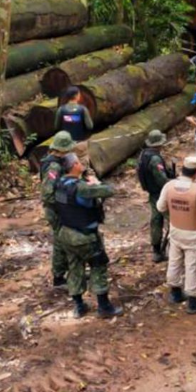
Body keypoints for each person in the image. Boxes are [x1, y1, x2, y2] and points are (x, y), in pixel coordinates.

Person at [54, 153, 123, 319]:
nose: (81, 164)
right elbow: (108, 191)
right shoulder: (81, 187)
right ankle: (104, 306)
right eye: (79, 162)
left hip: (66, 233)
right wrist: (95, 183)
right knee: (98, 266)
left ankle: (79, 306)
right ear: (75, 165)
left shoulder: (59, 184)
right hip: (84, 236)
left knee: (75, 267)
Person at [156, 156, 196, 314]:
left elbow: (160, 207)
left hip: (175, 230)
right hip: (193, 234)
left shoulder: (169, 185)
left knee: (174, 261)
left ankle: (175, 293)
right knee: (192, 266)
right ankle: (193, 302)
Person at [40, 131, 76, 288]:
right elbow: (48, 194)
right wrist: (64, 204)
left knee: (66, 240)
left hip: (60, 208)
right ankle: (59, 277)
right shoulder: (53, 167)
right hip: (55, 210)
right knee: (61, 242)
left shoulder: (57, 162)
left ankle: (70, 271)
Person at [137, 130, 175, 263]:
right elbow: (163, 180)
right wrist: (176, 183)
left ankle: (157, 250)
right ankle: (169, 248)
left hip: (152, 192)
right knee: (174, 220)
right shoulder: (155, 159)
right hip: (161, 193)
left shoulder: (143, 155)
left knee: (156, 220)